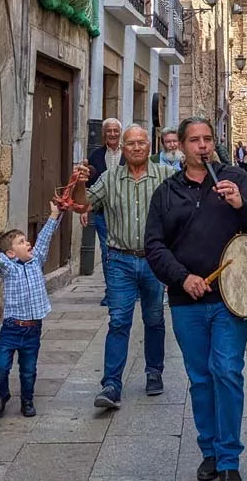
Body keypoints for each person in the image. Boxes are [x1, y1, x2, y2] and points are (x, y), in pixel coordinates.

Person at [145, 117, 247, 481]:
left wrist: (238, 204)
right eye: (195, 140)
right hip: (187, 301)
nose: (202, 146)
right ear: (180, 146)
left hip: (232, 298)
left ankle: (229, 459)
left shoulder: (234, 180)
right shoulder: (166, 193)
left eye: (208, 139)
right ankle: (209, 450)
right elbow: (153, 246)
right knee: (200, 378)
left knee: (227, 371)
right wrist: (184, 277)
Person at [71, 125, 175, 409]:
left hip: (154, 260)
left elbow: (184, 210)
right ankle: (111, 384)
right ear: (123, 148)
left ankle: (154, 372)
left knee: (154, 319)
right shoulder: (110, 178)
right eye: (131, 144)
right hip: (119, 260)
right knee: (118, 321)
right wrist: (80, 182)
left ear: (149, 146)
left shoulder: (166, 177)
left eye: (142, 143)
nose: (137, 148)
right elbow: (83, 205)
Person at [0, 201, 64, 419]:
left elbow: (45, 238)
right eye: (22, 242)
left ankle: (27, 400)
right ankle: (2, 395)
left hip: (33, 328)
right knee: (0, 367)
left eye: (27, 240)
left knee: (28, 371)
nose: (28, 243)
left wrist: (54, 214)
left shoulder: (36, 261)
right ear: (11, 253)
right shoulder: (8, 269)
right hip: (11, 328)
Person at [87, 118, 124, 305]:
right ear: (104, 134)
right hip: (102, 213)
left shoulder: (128, 155)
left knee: (124, 252)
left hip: (124, 214)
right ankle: (111, 293)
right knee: (107, 253)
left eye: (115, 130)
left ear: (120, 133)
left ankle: (124, 290)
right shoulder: (95, 156)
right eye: (109, 131)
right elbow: (89, 186)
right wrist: (84, 210)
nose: (112, 134)